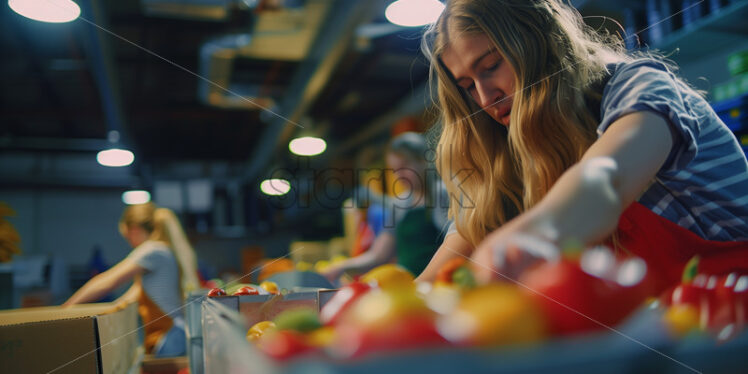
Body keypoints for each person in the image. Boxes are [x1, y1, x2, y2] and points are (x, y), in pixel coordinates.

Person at [415, 0, 748, 285]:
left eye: (491, 65)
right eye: (468, 87)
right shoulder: (512, 153)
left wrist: (526, 239)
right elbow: (459, 250)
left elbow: (606, 178)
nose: (486, 97)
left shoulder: (639, 88)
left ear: (538, 41)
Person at [64, 203, 199, 357]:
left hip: (170, 336)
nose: (130, 244)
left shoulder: (152, 250)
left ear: (134, 230)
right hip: (174, 336)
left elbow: (107, 281)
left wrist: (66, 309)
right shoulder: (162, 252)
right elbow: (131, 296)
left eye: (127, 237)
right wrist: (103, 314)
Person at [322, 132, 450, 281]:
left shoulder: (444, 194)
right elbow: (378, 255)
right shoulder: (399, 205)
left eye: (404, 167)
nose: (399, 175)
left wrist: (423, 282)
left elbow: (456, 246)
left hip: (441, 285)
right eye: (394, 170)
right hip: (408, 289)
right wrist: (341, 267)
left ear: (423, 160)